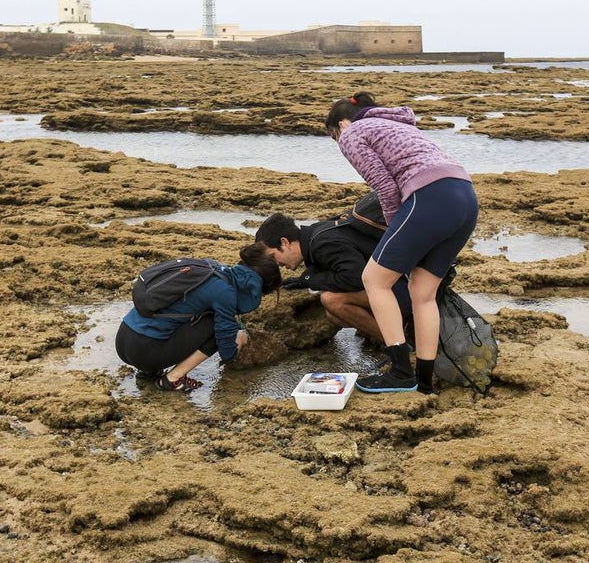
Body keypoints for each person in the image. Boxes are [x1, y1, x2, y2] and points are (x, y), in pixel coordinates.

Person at [324, 91, 479, 394]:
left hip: (430, 196)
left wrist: (398, 233)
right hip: (464, 196)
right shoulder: (401, 126)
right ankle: (423, 381)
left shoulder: (352, 133)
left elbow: (384, 186)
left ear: (341, 124)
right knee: (423, 292)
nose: (338, 143)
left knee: (374, 279)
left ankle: (400, 371)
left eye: (333, 135)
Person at [115, 242, 282, 393]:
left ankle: (149, 372)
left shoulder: (210, 268)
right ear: (255, 287)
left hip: (124, 338)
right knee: (216, 326)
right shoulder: (225, 293)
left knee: (186, 315)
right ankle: (173, 379)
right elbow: (226, 352)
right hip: (144, 352)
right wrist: (239, 339)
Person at [254, 212, 411, 346]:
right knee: (333, 315)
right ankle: (400, 329)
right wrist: (304, 280)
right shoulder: (315, 233)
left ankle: (398, 345)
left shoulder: (322, 243)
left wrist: (311, 280)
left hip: (406, 290)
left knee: (332, 300)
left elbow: (354, 277)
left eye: (273, 256)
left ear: (285, 242)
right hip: (396, 283)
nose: (277, 264)